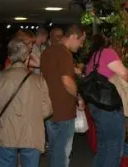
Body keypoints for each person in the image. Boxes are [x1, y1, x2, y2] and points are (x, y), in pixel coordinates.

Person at [0, 39, 53, 167]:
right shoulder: (39, 81)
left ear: (9, 57)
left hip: (5, 132)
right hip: (31, 134)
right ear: (27, 57)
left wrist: (1, 117)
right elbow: (47, 109)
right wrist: (31, 117)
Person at [41, 24, 86, 167]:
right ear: (73, 37)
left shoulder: (47, 52)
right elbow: (66, 81)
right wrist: (78, 96)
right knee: (62, 151)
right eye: (81, 41)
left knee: (54, 149)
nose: (81, 45)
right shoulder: (65, 53)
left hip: (49, 109)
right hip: (64, 111)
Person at [85, 33, 128, 167]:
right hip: (109, 108)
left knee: (103, 149)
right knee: (114, 150)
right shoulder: (108, 53)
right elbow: (124, 74)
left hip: (96, 107)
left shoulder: (93, 57)